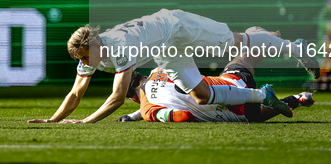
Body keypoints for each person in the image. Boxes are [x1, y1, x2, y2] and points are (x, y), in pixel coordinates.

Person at [27, 12, 319, 124]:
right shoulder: (94, 53)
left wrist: (84, 122)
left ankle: (296, 48)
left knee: (239, 43)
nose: (82, 64)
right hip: (165, 49)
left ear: (92, 48)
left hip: (177, 26)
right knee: (202, 96)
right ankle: (260, 96)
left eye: (82, 58)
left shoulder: (117, 47)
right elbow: (76, 93)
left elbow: (117, 98)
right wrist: (52, 121)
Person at [118, 44, 315, 123]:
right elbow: (162, 93)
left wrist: (149, 118)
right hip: (231, 82)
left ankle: (296, 99)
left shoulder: (147, 108)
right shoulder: (157, 70)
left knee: (254, 115)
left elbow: (181, 115)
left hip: (231, 111)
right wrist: (132, 116)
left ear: (131, 97)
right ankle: (292, 47)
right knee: (247, 54)